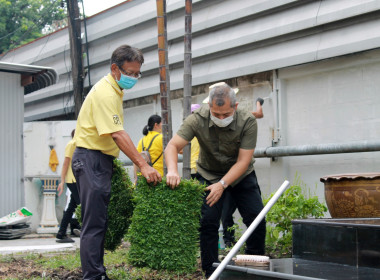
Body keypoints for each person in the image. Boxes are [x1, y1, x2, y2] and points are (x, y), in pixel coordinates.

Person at [72, 45, 161, 280]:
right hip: (91, 159)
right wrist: (143, 164)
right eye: (130, 73)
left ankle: (97, 273)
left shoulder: (114, 90)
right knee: (94, 223)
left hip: (99, 160)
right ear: (115, 68)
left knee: (99, 220)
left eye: (137, 74)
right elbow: (118, 134)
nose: (134, 78)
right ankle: (93, 276)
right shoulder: (106, 93)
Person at [165, 83, 266, 277]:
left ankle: (255, 269)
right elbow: (172, 146)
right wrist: (172, 170)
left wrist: (222, 184)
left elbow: (244, 161)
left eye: (225, 114)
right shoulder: (196, 119)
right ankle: (211, 270)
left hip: (241, 176)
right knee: (208, 223)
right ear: (209, 107)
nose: (220, 118)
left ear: (235, 107)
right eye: (215, 114)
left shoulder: (247, 121)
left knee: (256, 219)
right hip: (209, 174)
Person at [221, 97, 265, 247]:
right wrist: (258, 102)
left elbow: (258, 114)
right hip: (220, 174)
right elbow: (259, 113)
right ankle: (228, 242)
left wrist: (259, 103)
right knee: (224, 212)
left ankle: (250, 249)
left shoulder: (243, 117)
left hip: (242, 174)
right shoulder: (205, 123)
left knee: (254, 215)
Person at [56, 129, 80, 243]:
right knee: (83, 205)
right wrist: (62, 181)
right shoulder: (72, 144)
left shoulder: (80, 144)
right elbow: (66, 162)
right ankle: (87, 232)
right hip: (73, 180)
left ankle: (61, 233)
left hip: (77, 179)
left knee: (72, 206)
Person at [134, 114, 163, 183]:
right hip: (158, 177)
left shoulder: (142, 140)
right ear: (156, 125)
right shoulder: (161, 138)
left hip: (145, 178)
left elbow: (135, 160)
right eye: (162, 123)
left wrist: (136, 178)